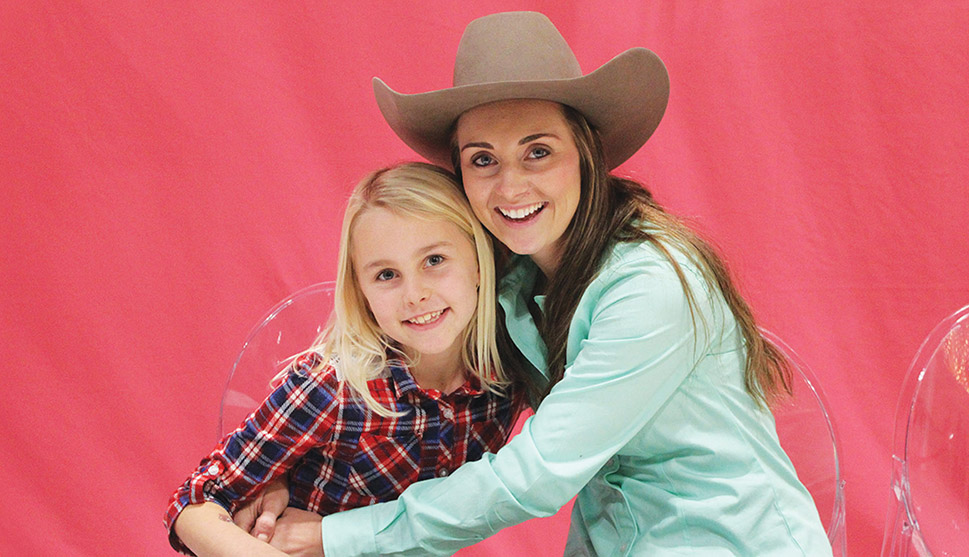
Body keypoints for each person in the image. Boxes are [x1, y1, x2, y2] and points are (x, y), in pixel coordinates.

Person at [254, 11, 833, 556]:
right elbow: (419, 406)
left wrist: (337, 536)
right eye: (483, 160)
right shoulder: (505, 286)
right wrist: (285, 471)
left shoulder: (651, 285)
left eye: (537, 152)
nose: (510, 188)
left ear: (585, 154)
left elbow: (538, 474)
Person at [163, 162, 527, 556]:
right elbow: (192, 504)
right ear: (361, 291)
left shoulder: (508, 375)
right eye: (386, 275)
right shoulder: (332, 386)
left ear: (479, 260)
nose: (415, 294)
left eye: (434, 260)